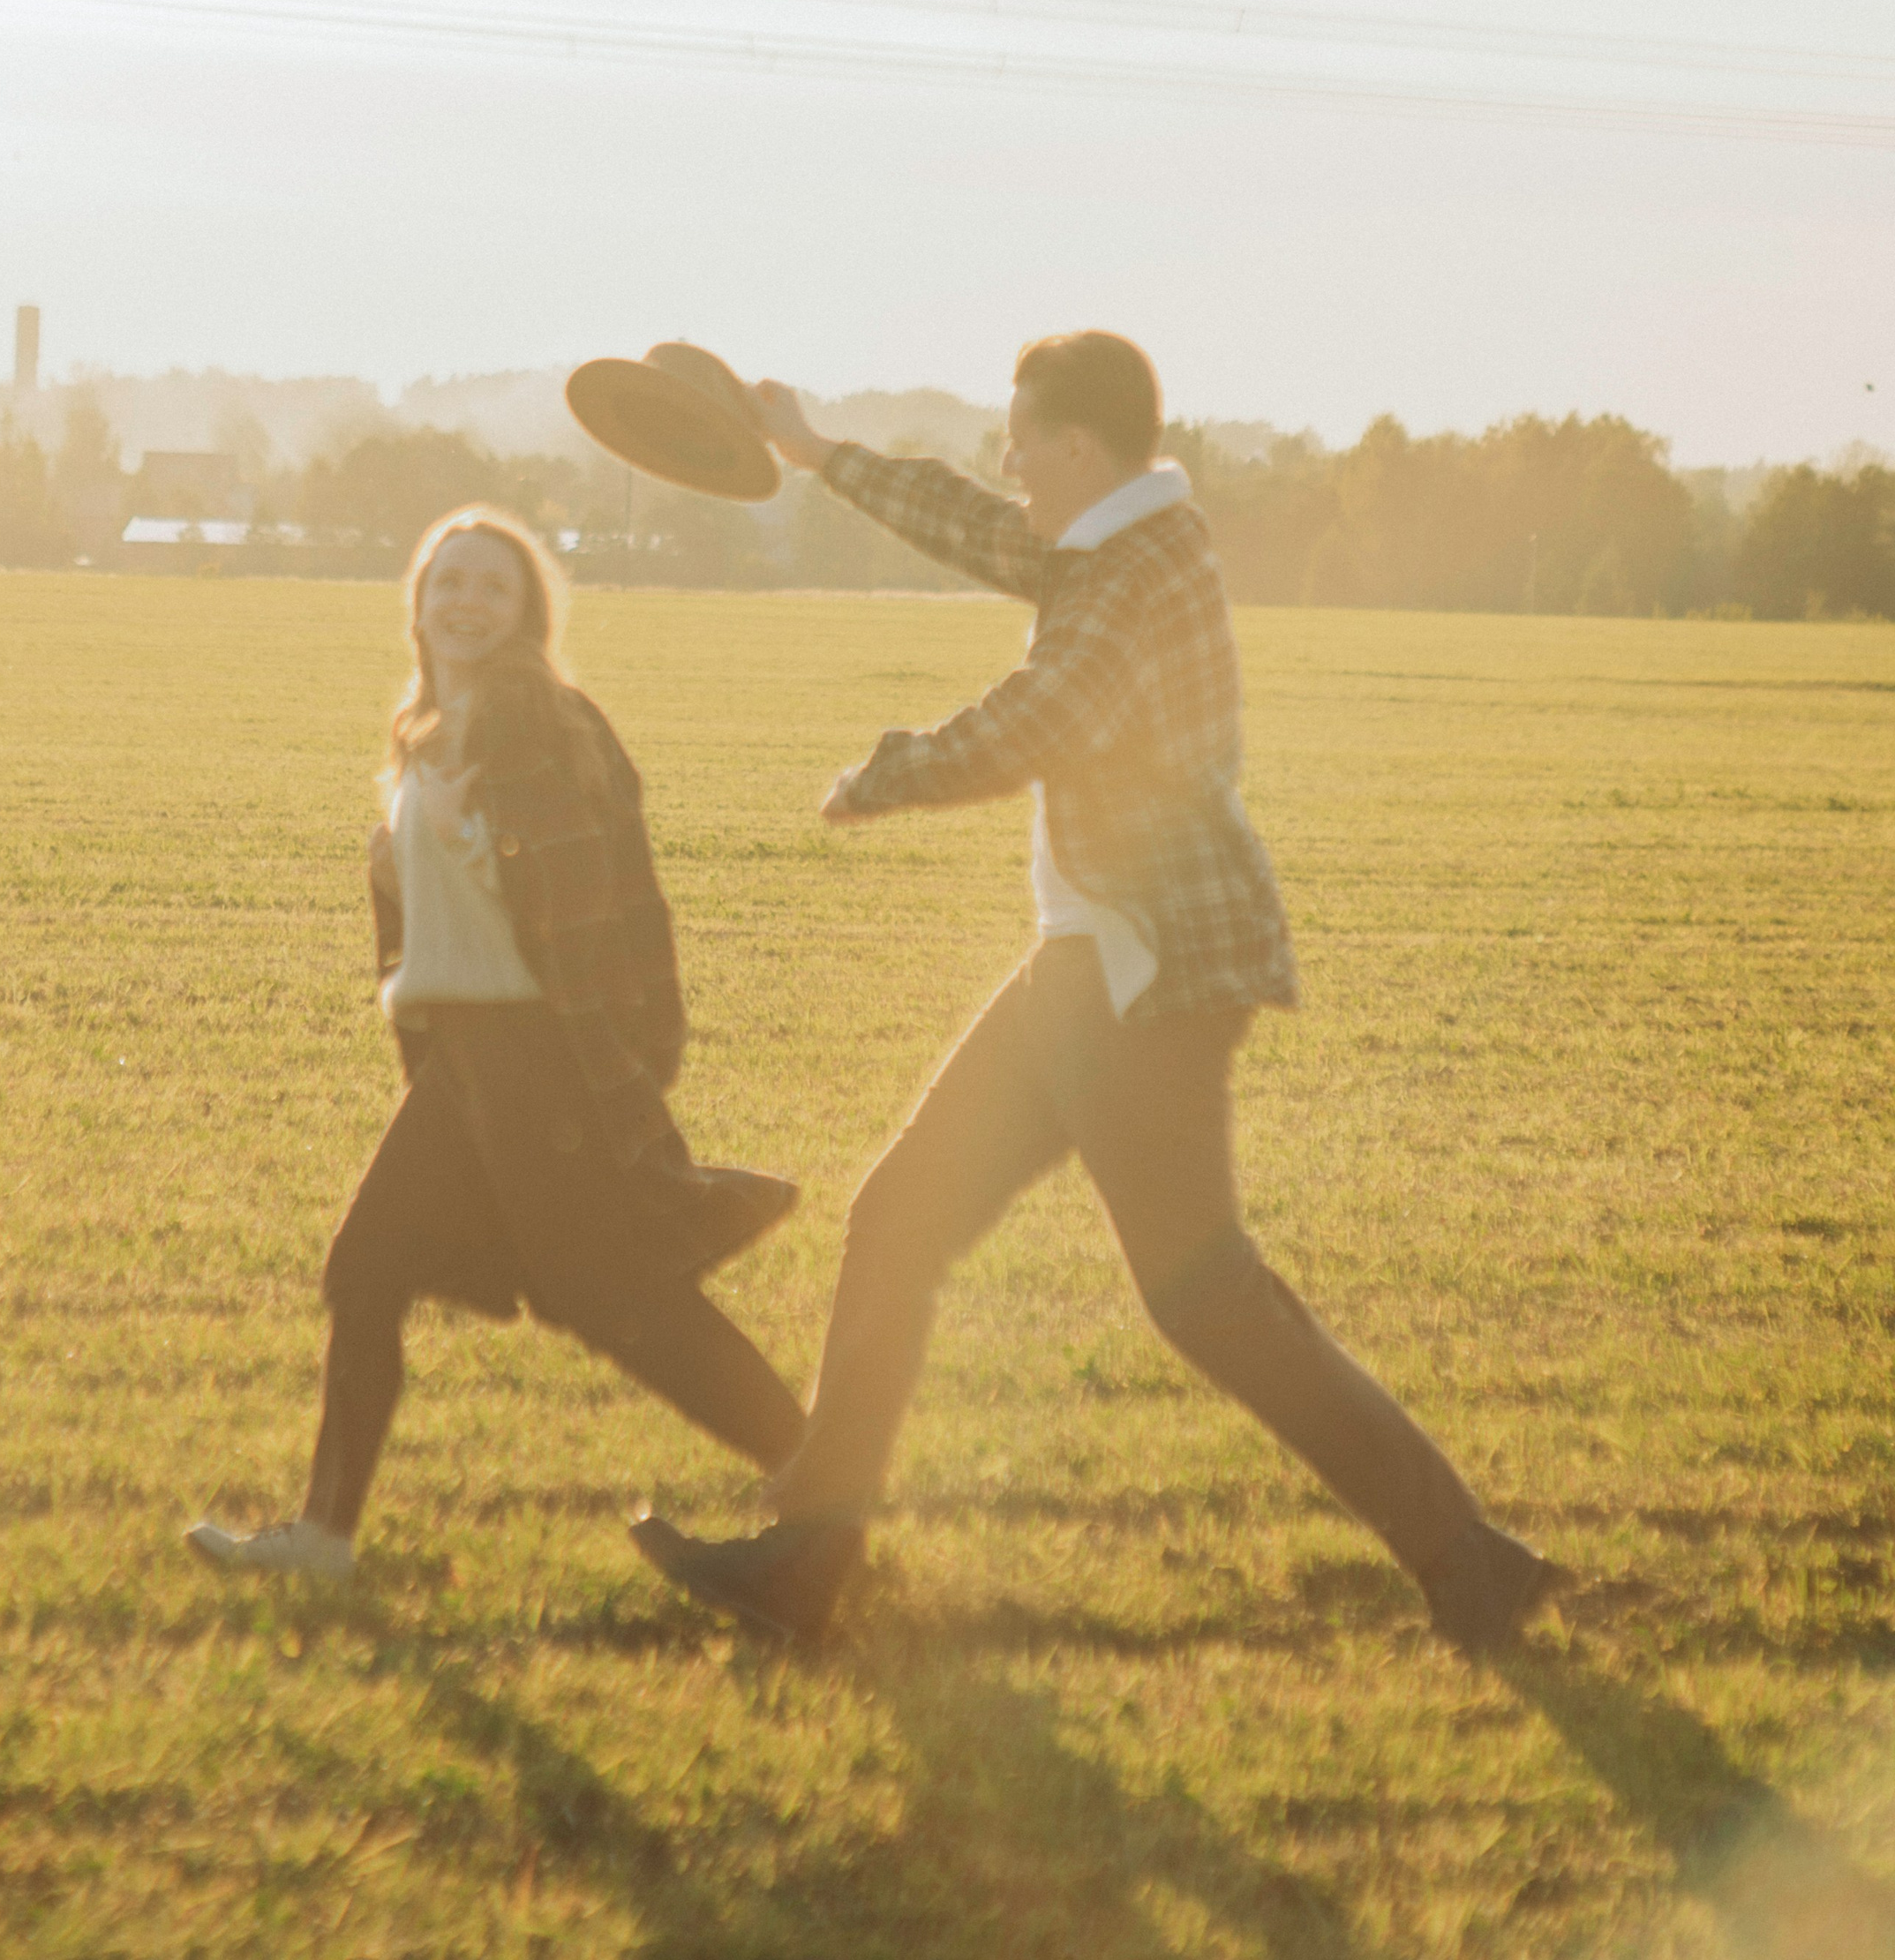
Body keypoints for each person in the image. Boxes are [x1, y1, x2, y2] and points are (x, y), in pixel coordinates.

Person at [631, 333, 1560, 1650]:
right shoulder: (1107, 541)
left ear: (1076, 447)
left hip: (1140, 972)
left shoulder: (1134, 570)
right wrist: (818, 449)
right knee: (904, 1216)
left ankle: (1467, 1558)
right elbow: (980, 528)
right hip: (1096, 961)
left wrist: (890, 770)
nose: (1005, 462)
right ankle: (809, 1560)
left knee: (1203, 1294)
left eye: (1020, 440)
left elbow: (1038, 718)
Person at [189, 507, 803, 1581]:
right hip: (471, 1056)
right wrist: (398, 872)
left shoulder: (533, 720)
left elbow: (599, 902)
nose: (466, 602)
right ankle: (324, 1539)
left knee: (614, 1301)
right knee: (372, 1269)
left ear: (523, 613)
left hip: (535, 1053)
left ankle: (821, 1475)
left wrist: (622, 1048)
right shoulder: (430, 723)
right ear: (419, 602)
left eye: (492, 588)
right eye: (449, 583)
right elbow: (445, 907)